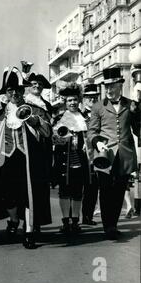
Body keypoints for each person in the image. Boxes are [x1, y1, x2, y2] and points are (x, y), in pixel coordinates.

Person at [0, 67, 51, 249]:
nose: (15, 93)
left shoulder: (35, 110)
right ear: (6, 93)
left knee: (29, 196)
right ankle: (14, 219)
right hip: (8, 159)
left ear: (23, 90)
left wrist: (35, 121)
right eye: (11, 90)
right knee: (8, 196)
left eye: (18, 89)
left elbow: (47, 132)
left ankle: (29, 232)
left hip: (29, 160)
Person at [88, 67, 140, 240]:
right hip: (104, 156)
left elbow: (137, 130)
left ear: (120, 85)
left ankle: (113, 225)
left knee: (119, 191)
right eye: (106, 87)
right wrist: (98, 143)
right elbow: (92, 132)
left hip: (124, 155)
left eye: (112, 86)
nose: (108, 90)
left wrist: (138, 111)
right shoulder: (97, 107)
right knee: (105, 191)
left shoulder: (130, 105)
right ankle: (107, 227)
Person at [52, 84, 91, 235]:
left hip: (80, 160)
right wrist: (61, 138)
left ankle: (75, 221)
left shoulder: (85, 118)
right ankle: (65, 221)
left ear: (78, 100)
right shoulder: (59, 119)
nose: (73, 103)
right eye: (69, 100)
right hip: (65, 161)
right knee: (64, 192)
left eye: (75, 99)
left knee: (77, 192)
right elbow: (54, 141)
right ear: (65, 103)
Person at [23, 72, 53, 232]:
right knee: (28, 187)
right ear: (28, 86)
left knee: (41, 187)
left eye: (40, 84)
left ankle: (37, 223)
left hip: (44, 149)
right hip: (28, 147)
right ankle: (27, 223)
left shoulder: (47, 105)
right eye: (34, 83)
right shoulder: (24, 102)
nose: (37, 86)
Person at [80, 83, 100, 225]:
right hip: (79, 154)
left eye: (94, 97)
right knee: (76, 188)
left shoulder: (100, 114)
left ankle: (88, 216)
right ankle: (73, 218)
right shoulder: (78, 115)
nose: (92, 100)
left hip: (95, 154)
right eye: (89, 98)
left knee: (92, 187)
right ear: (84, 99)